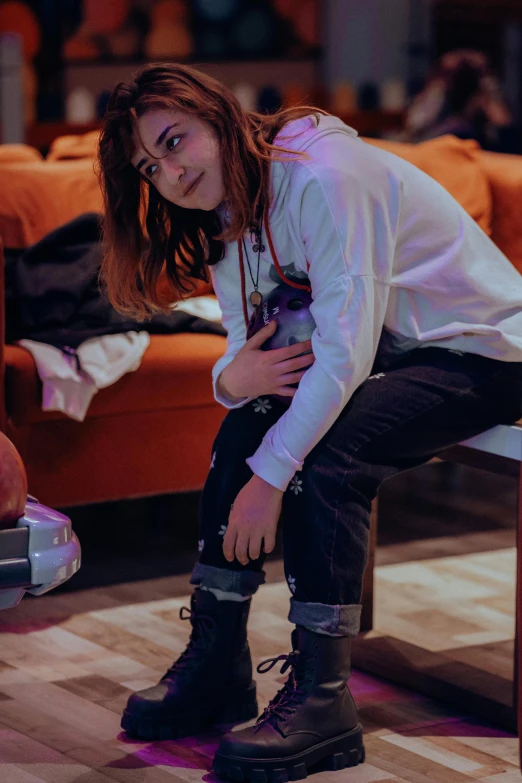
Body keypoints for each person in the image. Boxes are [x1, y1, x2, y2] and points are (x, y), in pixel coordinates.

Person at [97, 62, 522, 779]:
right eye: (149, 165)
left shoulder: (325, 177)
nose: (167, 172)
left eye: (174, 141)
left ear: (217, 115)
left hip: (488, 352)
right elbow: (242, 357)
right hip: (402, 352)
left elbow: (343, 352)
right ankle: (216, 660)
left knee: (331, 457)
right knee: (250, 420)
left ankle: (324, 700)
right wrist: (231, 382)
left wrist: (270, 477)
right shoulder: (232, 213)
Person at [402, 49, 521, 154]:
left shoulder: (483, 101)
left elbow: (505, 127)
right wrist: (440, 82)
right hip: (436, 151)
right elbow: (414, 127)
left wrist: (486, 80)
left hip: (479, 154)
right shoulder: (437, 98)